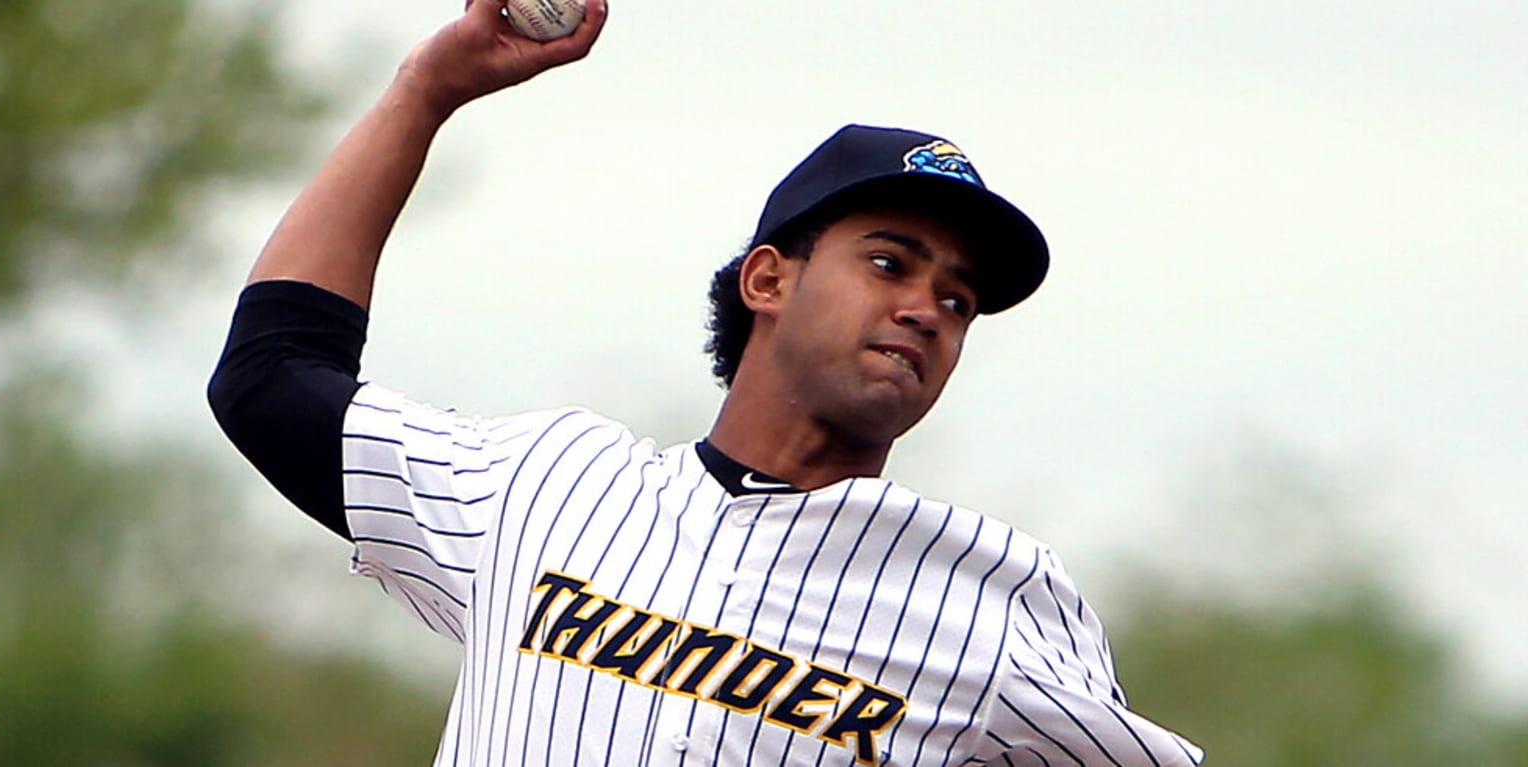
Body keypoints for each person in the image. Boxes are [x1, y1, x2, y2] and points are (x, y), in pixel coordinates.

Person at [208, 1, 1205, 765]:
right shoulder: (543, 484)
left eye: (959, 298)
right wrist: (424, 93)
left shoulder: (999, 596)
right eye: (893, 263)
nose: (928, 308)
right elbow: (271, 375)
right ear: (769, 277)